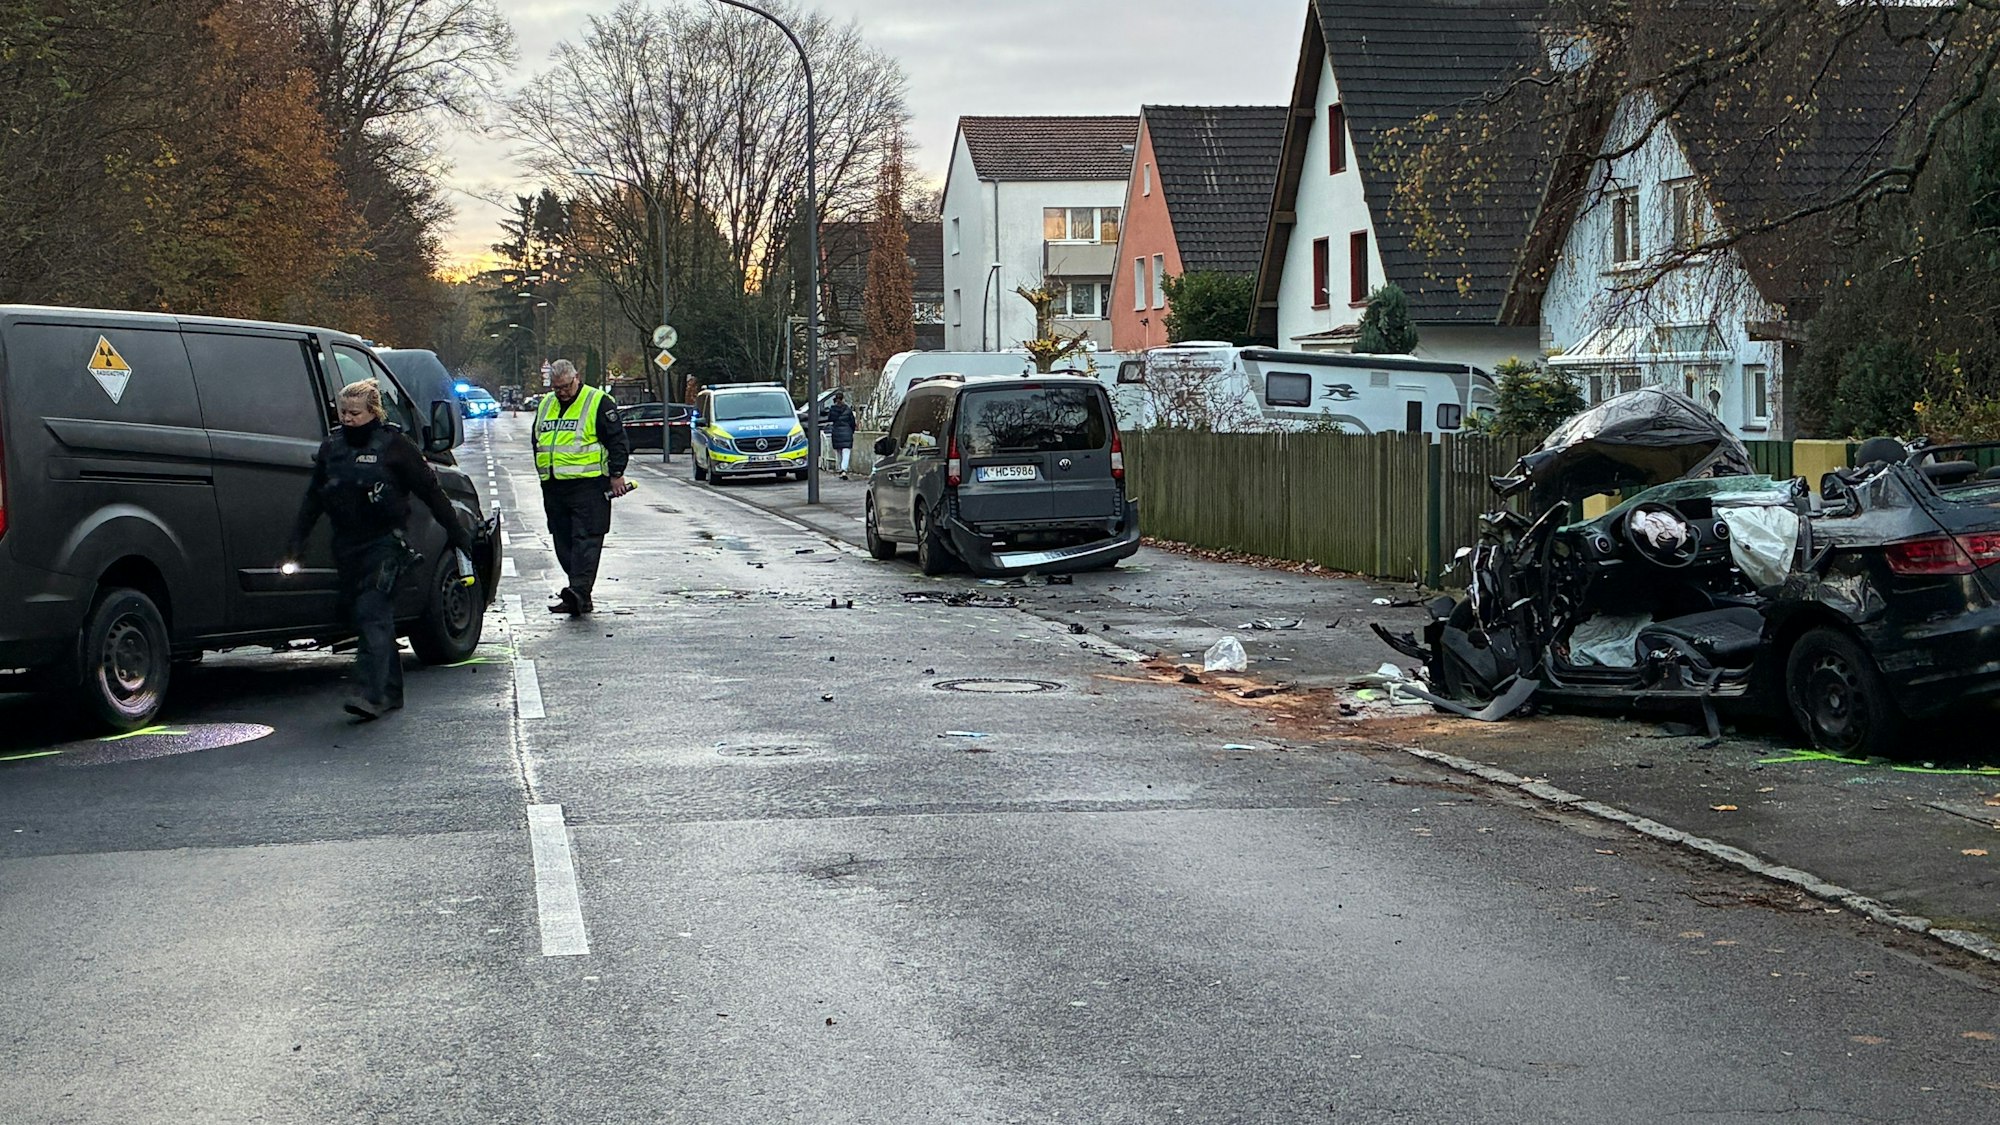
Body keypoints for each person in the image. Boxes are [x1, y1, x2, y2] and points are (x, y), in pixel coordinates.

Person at [288, 380, 474, 722]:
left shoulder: (395, 446)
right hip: (346, 546)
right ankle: (391, 691)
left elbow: (431, 492)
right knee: (365, 618)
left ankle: (370, 695)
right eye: (343, 412)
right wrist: (297, 542)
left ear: (373, 412)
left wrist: (457, 532)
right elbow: (314, 497)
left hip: (385, 545)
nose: (348, 419)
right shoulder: (332, 447)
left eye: (355, 413)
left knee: (373, 612)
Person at [533, 359, 632, 616]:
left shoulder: (597, 401)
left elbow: (617, 440)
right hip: (554, 486)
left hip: (589, 486)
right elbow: (538, 440)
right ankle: (580, 594)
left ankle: (577, 591)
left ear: (576, 378)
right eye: (556, 388)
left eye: (565, 386)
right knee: (562, 541)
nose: (562, 392)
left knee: (585, 539)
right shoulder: (546, 404)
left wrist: (617, 473)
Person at [825, 390, 858, 480]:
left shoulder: (832, 409)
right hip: (847, 431)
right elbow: (852, 422)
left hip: (836, 432)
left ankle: (840, 468)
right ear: (843, 398)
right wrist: (851, 431)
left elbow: (830, 419)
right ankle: (844, 469)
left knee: (839, 452)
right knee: (846, 451)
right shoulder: (847, 409)